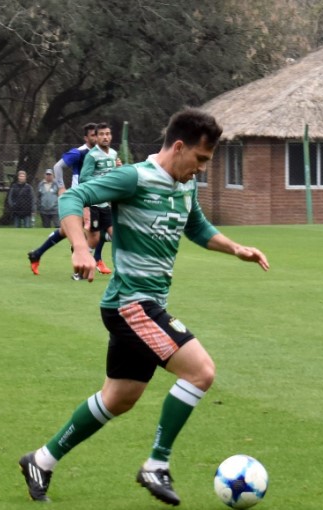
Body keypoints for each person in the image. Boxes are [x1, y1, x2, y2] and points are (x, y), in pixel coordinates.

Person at [18, 108, 270, 505]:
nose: (202, 170)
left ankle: (42, 460)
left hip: (143, 305)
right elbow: (75, 196)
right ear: (180, 147)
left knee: (119, 398)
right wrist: (81, 246)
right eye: (201, 160)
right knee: (201, 372)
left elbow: (196, 226)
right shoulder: (134, 177)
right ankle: (157, 463)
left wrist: (235, 247)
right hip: (131, 304)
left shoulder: (185, 186)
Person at [26, 122, 97, 276]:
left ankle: (37, 254)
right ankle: (83, 267)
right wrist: (61, 187)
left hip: (94, 198)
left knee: (67, 230)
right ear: (86, 138)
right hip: (80, 198)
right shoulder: (80, 153)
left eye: (97, 134)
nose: (97, 138)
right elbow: (58, 167)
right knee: (87, 231)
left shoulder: (103, 153)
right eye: (93, 135)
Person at [79, 122, 122, 275]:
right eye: (102, 134)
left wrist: (119, 169)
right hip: (94, 204)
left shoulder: (113, 154)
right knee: (95, 238)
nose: (105, 137)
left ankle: (123, 271)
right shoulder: (91, 156)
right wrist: (102, 185)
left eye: (108, 134)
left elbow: (114, 175)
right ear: (96, 137)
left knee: (116, 235)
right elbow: (83, 178)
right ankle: (80, 268)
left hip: (107, 204)